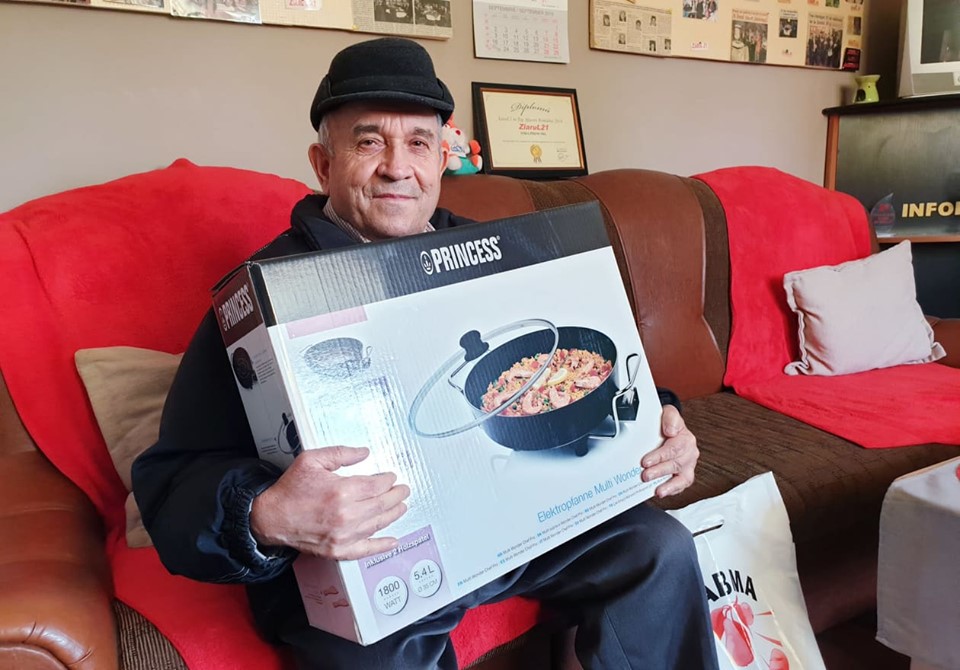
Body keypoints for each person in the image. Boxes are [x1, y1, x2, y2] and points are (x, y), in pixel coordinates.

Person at [132, 37, 719, 670]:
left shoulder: (496, 253)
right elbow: (173, 481)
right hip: (370, 555)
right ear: (322, 164)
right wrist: (268, 515)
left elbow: (585, 361)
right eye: (368, 142)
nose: (397, 167)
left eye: (417, 143)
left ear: (442, 159)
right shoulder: (262, 295)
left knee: (659, 548)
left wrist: (660, 417)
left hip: (519, 518)